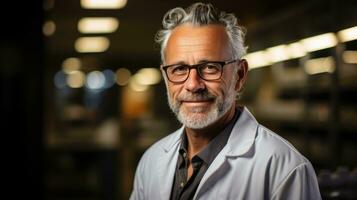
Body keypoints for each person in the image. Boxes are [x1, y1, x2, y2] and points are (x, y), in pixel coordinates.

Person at [130, 2, 321, 200]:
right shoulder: (151, 161)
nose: (193, 84)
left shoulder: (285, 170)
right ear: (165, 76)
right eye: (179, 69)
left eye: (210, 67)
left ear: (239, 75)